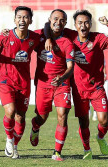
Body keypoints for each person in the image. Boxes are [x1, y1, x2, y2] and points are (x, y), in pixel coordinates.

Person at [45, 10, 108, 159]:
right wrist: (49, 39)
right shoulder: (70, 35)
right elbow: (49, 26)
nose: (83, 25)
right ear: (75, 25)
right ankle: (87, 149)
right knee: (84, 123)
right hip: (78, 89)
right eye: (80, 22)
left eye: (86, 22)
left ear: (91, 24)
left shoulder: (98, 38)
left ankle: (101, 137)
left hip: (96, 87)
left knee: (104, 120)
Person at [0, 6, 40, 159]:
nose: (22, 20)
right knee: (11, 111)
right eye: (19, 17)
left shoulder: (34, 38)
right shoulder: (4, 36)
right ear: (14, 20)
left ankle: (15, 145)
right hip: (6, 80)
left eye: (25, 17)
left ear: (30, 20)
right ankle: (9, 139)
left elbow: (48, 36)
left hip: (24, 82)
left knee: (20, 117)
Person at [29, 9, 74, 161]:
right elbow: (23, 38)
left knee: (62, 115)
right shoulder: (39, 36)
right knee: (42, 117)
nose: (58, 22)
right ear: (49, 19)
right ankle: (35, 126)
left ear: (65, 24)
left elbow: (70, 67)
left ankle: (57, 152)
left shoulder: (67, 43)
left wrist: (62, 78)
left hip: (62, 84)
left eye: (62, 20)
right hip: (43, 83)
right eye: (55, 19)